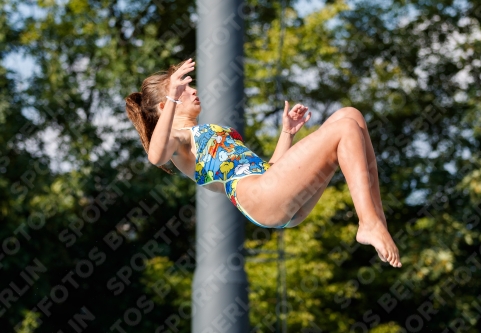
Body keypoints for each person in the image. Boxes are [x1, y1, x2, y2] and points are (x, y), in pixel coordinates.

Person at [125, 58, 402, 268]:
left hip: (270, 196)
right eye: (184, 89)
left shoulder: (207, 131)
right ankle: (367, 223)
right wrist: (173, 93)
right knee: (345, 129)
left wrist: (287, 133)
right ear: (166, 106)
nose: (193, 90)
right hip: (258, 199)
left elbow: (270, 171)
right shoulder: (178, 138)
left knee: (350, 116)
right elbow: (155, 155)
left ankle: (376, 219)